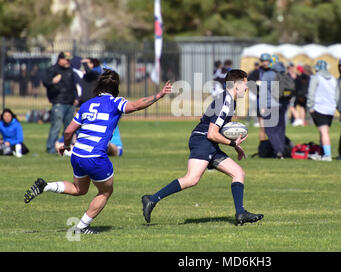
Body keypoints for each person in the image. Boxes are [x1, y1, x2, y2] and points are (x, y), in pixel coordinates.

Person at [23, 70, 172, 234]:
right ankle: (81, 227)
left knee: (80, 190)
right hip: (95, 156)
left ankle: (46, 186)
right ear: (116, 87)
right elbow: (137, 105)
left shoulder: (86, 105)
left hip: (78, 154)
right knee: (106, 191)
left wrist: (65, 146)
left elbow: (67, 132)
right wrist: (159, 95)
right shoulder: (115, 102)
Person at [141, 69, 264, 226]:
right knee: (192, 179)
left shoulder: (228, 100)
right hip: (202, 140)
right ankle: (151, 199)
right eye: (245, 84)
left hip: (208, 142)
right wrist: (232, 143)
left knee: (238, 173)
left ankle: (240, 213)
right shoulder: (225, 103)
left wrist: (235, 147)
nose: (246, 88)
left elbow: (216, 132)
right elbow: (212, 133)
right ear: (237, 85)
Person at [42, 52, 78, 154]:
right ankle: (51, 148)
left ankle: (68, 148)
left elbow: (73, 85)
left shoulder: (70, 70)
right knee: (56, 126)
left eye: (69, 60)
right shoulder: (53, 69)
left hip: (70, 103)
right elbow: (45, 82)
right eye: (66, 60)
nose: (68, 62)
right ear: (60, 59)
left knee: (69, 128)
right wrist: (53, 81)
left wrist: (75, 97)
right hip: (58, 102)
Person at [307, 60, 339, 161]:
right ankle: (321, 153)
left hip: (319, 108)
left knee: (324, 132)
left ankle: (327, 155)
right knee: (323, 131)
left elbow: (311, 92)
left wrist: (310, 106)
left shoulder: (316, 78)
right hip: (330, 109)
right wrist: (334, 106)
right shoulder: (333, 79)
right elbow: (337, 95)